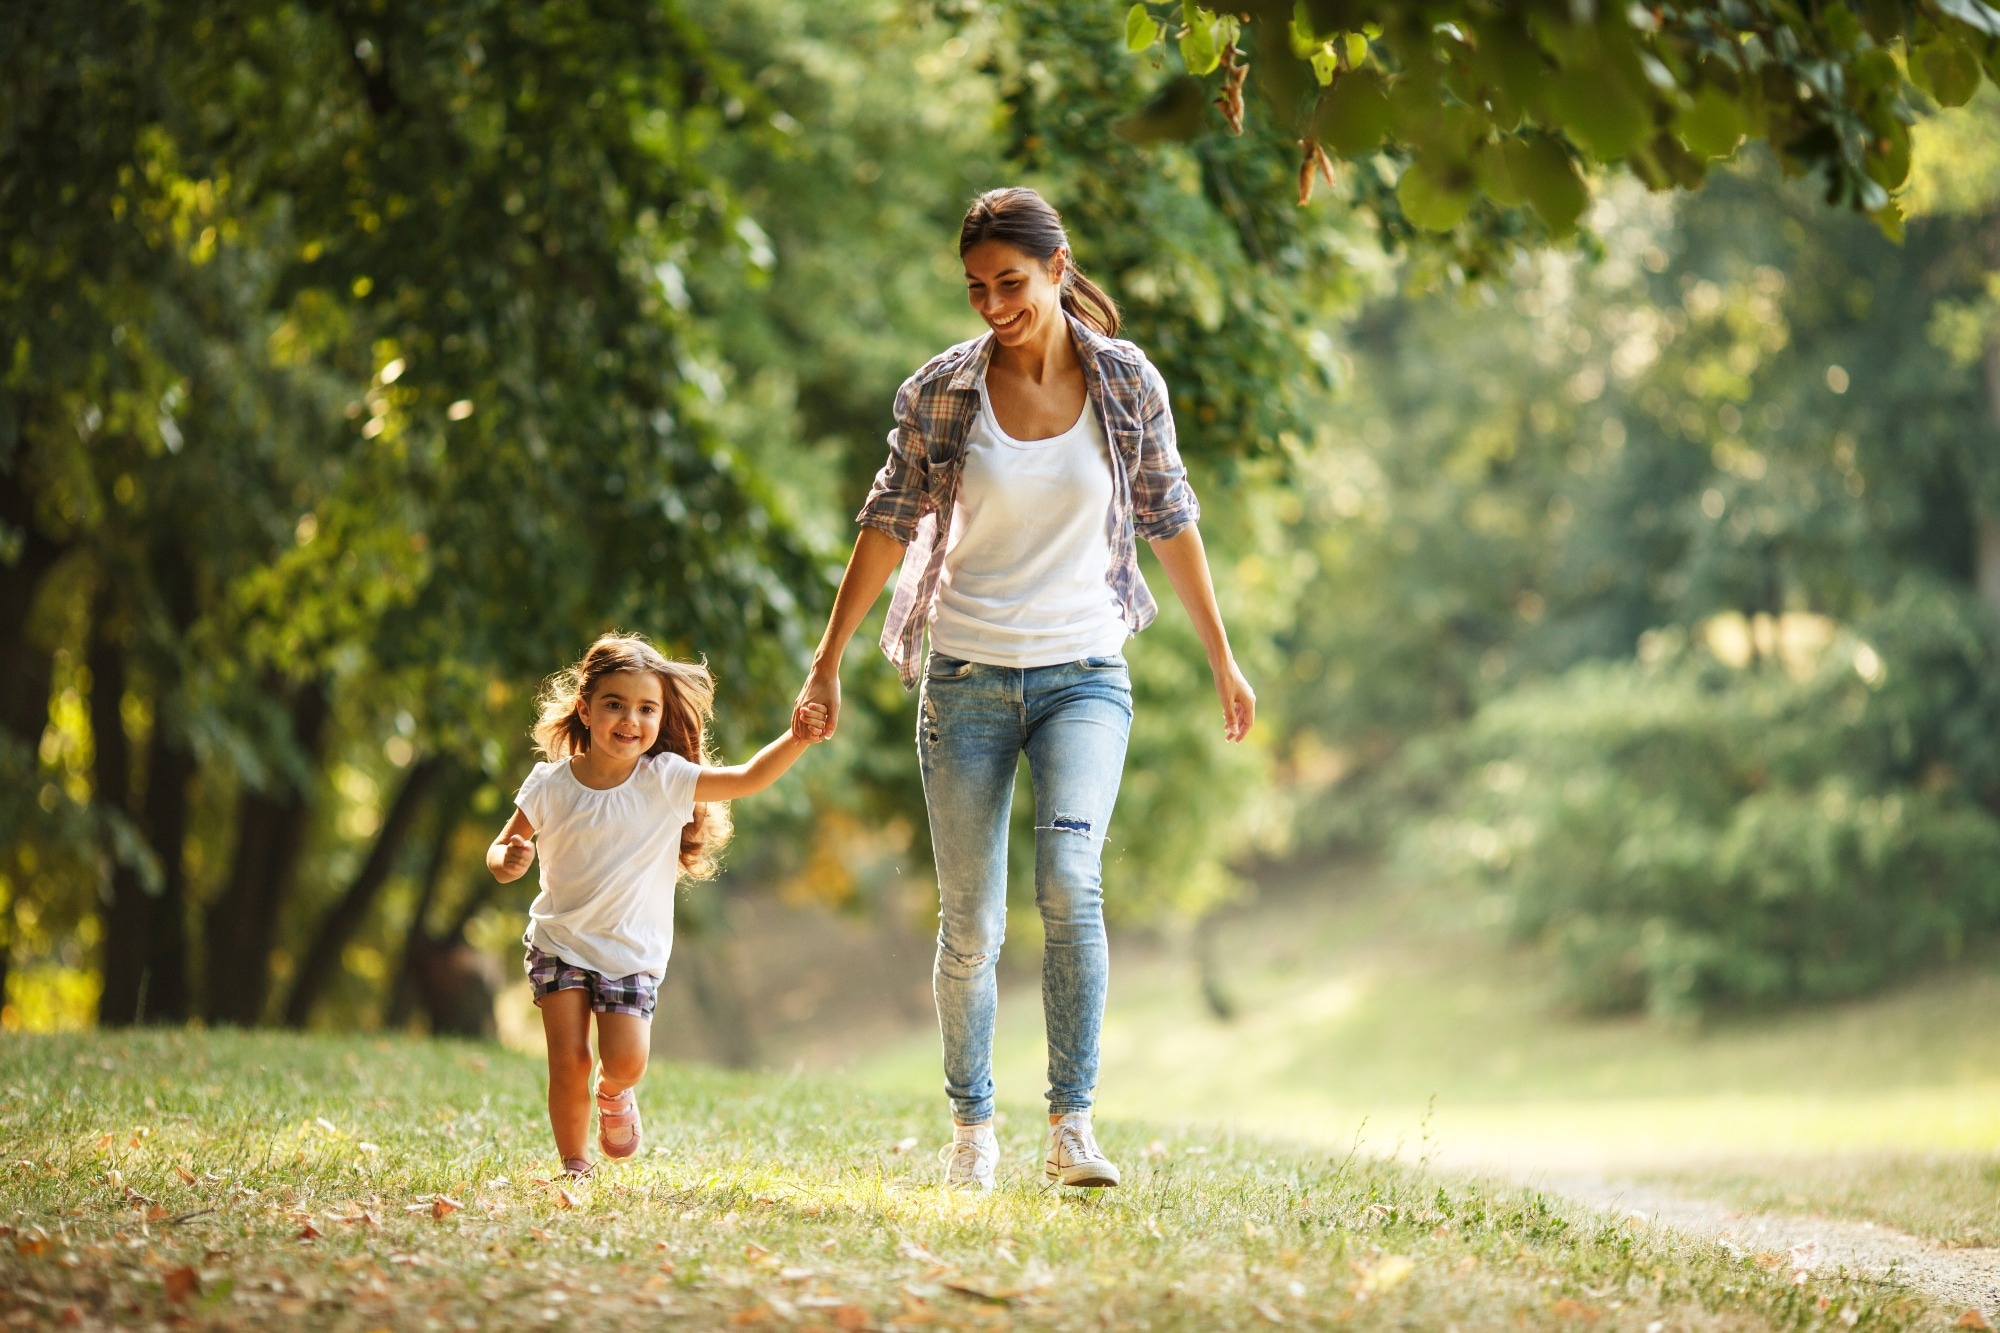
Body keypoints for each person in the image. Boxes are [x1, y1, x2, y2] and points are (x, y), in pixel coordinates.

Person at [792, 187, 1255, 1191]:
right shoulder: (939, 391)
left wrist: (1222, 656)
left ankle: (1071, 1126)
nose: (993, 303)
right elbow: (886, 521)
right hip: (961, 677)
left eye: (1011, 281)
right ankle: (971, 1131)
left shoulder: (1125, 380)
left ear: (1056, 267)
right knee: (971, 928)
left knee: (1070, 882)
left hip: (1084, 673)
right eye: (975, 288)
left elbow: (1169, 514)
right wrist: (827, 658)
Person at [490, 632, 825, 1177]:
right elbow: (502, 845)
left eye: (646, 709)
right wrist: (506, 859)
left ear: (661, 716)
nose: (630, 719)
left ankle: (615, 1092)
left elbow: (746, 778)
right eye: (615, 705)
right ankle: (574, 1164)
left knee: (625, 1060)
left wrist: (797, 738)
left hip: (630, 951)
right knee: (568, 1059)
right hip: (559, 942)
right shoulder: (550, 784)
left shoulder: (665, 780)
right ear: (586, 708)